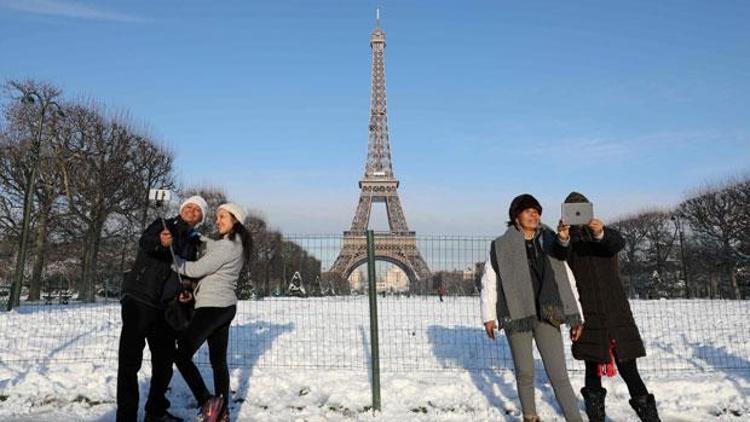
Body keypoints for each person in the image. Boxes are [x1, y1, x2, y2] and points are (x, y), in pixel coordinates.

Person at [480, 194, 584, 422]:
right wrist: (488, 316)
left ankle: (575, 419)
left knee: (559, 374)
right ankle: (530, 416)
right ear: (516, 217)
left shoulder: (551, 240)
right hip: (517, 314)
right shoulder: (501, 246)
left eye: (537, 211)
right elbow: (490, 282)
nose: (534, 215)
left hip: (548, 313)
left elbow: (567, 279)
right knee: (525, 372)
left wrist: (577, 316)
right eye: (528, 211)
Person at [563, 192, 661, 422]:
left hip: (616, 312)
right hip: (587, 313)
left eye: (581, 209)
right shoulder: (567, 241)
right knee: (591, 368)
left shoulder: (604, 234)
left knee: (629, 368)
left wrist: (599, 232)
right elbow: (558, 256)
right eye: (572, 210)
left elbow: (616, 242)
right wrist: (563, 238)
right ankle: (597, 418)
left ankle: (651, 419)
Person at [117, 195, 208, 422]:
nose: (192, 211)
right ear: (181, 209)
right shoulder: (163, 225)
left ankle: (154, 412)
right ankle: (126, 416)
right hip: (140, 300)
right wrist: (161, 242)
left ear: (200, 219)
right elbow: (146, 242)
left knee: (164, 365)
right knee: (130, 362)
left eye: (197, 211)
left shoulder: (194, 243)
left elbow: (187, 273)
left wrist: (186, 290)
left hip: (165, 310)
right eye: (189, 207)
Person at [165, 202, 251, 422]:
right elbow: (212, 247)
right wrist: (198, 237)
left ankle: (207, 401)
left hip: (213, 307)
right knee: (218, 361)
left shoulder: (228, 246)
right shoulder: (235, 244)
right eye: (217, 216)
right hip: (225, 307)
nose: (217, 220)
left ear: (235, 221)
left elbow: (195, 269)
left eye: (222, 217)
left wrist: (173, 258)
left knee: (181, 353)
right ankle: (222, 412)